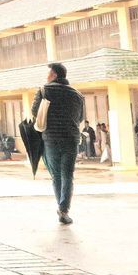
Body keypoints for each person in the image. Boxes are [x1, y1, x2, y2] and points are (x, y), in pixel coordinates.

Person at [32, 62, 85, 225]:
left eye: (48, 73)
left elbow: (35, 112)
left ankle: (61, 208)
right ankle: (64, 209)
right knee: (68, 175)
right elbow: (80, 117)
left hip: (51, 138)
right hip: (71, 138)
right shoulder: (77, 94)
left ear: (54, 75)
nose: (47, 76)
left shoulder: (44, 90)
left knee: (56, 175)